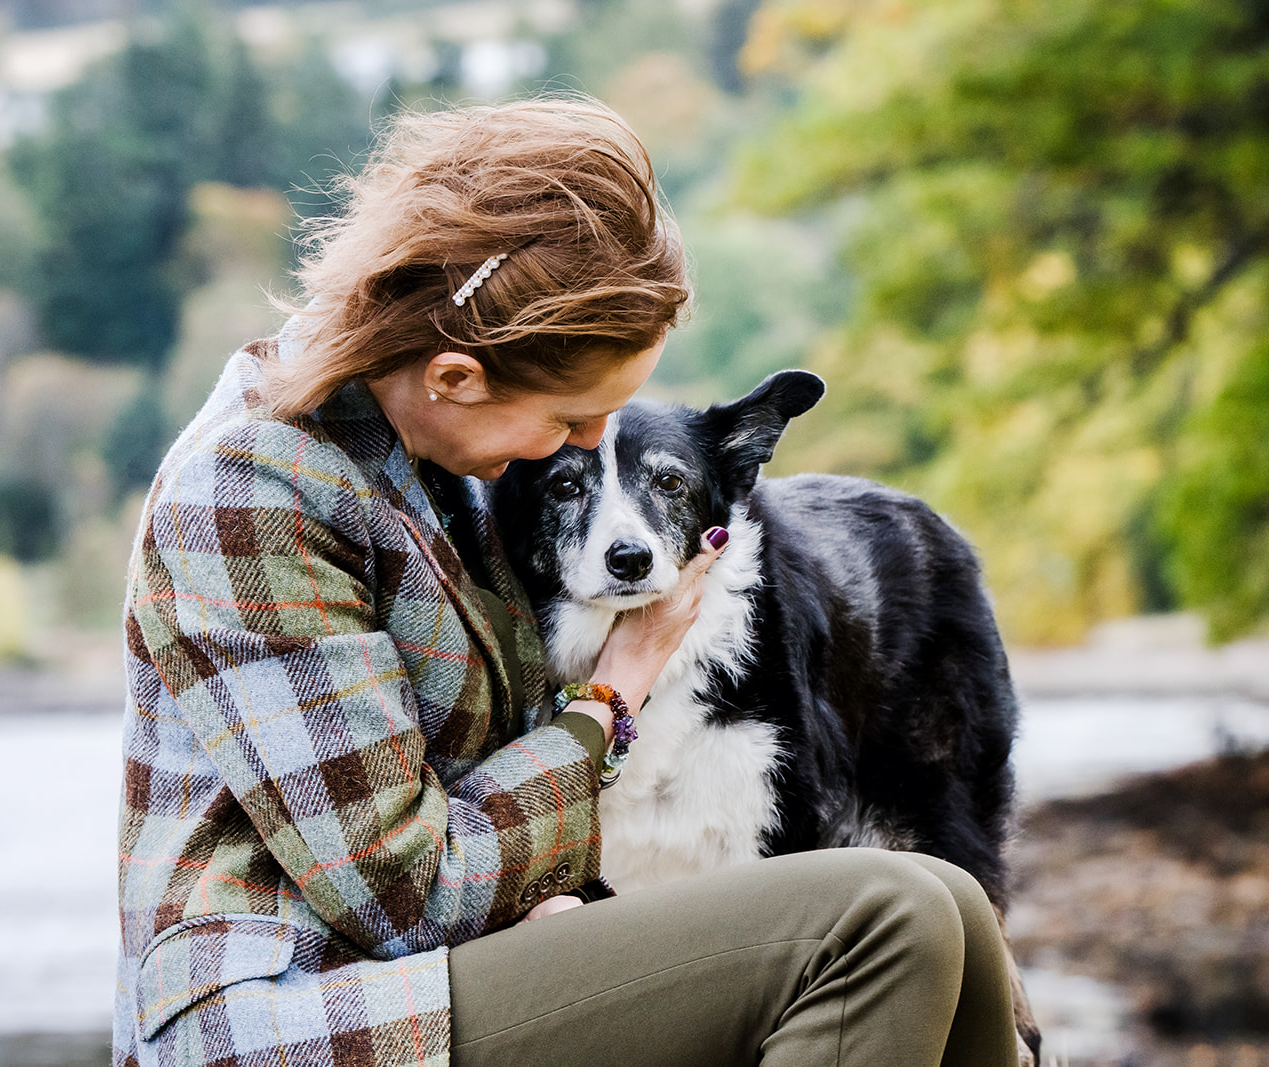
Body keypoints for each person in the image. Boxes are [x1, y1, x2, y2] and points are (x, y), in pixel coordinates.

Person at [113, 97, 1021, 1067]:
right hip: (298, 1010)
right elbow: (399, 890)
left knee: (959, 910)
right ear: (457, 376)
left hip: (464, 953)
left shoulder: (433, 454)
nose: (590, 449)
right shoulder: (251, 496)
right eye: (572, 421)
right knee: (884, 919)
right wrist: (610, 694)